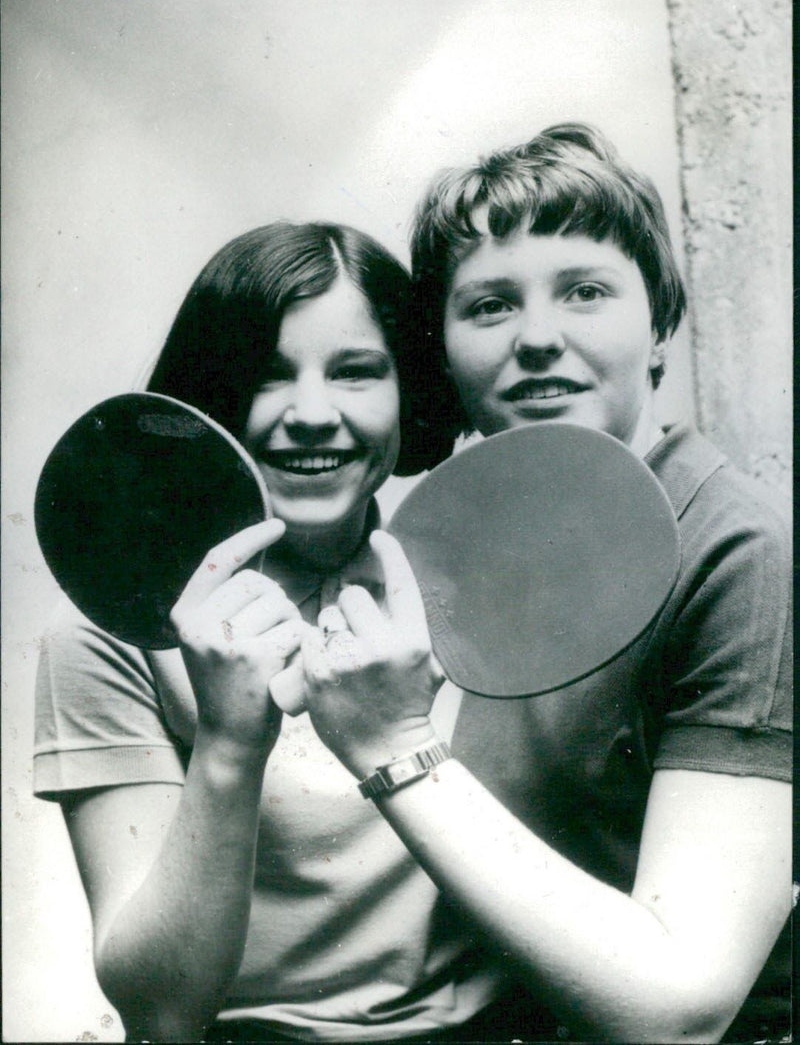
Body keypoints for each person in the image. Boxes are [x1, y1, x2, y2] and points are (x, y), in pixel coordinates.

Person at [293, 125, 793, 1044]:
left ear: (658, 332)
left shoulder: (738, 551)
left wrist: (393, 747)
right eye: (488, 306)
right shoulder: (460, 541)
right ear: (440, 354)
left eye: (586, 292)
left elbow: (679, 1007)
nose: (536, 339)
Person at [34, 221, 498, 1044]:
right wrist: (227, 743)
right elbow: (159, 1012)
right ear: (204, 396)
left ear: (410, 391)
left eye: (356, 372)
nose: (311, 416)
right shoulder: (113, 632)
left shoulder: (492, 583)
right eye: (264, 378)